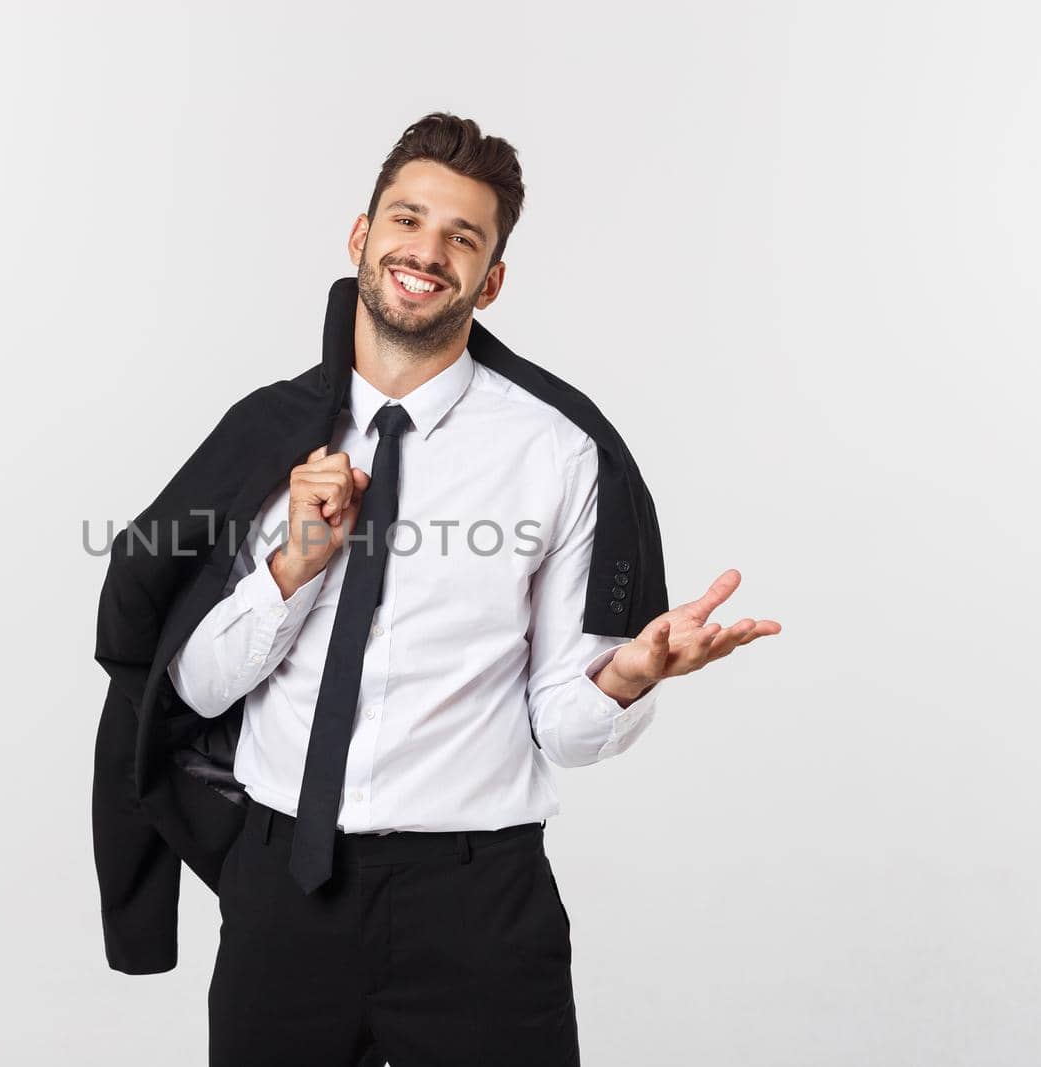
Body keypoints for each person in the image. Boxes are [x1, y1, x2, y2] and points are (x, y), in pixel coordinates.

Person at [151, 112, 782, 1067]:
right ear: (362, 238)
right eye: (407, 219)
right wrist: (293, 566)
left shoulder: (562, 454)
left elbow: (562, 729)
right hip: (284, 891)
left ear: (490, 280)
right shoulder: (268, 436)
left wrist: (630, 674)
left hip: (479, 901)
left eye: (463, 237)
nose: (427, 251)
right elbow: (191, 689)